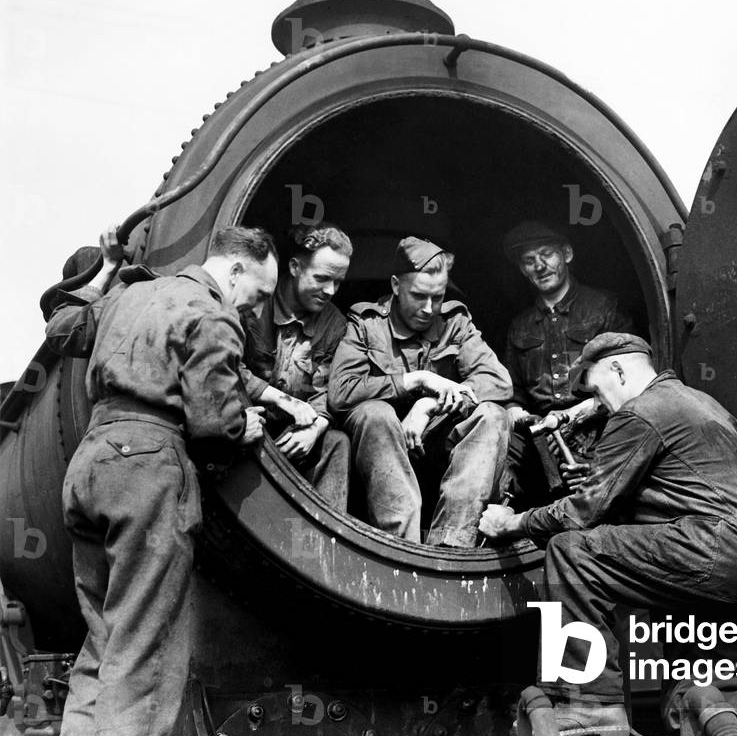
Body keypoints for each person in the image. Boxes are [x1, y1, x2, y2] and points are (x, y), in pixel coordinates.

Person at [479, 333, 737, 736]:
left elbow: (583, 513)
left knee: (572, 552)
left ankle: (591, 706)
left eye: (597, 389)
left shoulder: (639, 412)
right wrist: (604, 481)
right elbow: (691, 487)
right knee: (694, 704)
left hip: (718, 550)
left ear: (618, 369)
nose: (599, 403)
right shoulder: (702, 402)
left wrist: (515, 522)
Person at [44, 225, 277, 736]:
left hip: (90, 463)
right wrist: (247, 428)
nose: (255, 309)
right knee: (146, 653)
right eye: (258, 295)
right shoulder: (213, 314)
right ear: (235, 269)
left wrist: (103, 269)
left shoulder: (128, 293)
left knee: (103, 645)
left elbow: (60, 329)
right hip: (147, 468)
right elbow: (213, 427)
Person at [328, 236, 511, 547]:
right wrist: (415, 380)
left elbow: (498, 381)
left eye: (437, 297)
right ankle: (401, 546)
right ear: (397, 285)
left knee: (492, 415)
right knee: (375, 413)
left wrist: (428, 404)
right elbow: (341, 393)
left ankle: (451, 544)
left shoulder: (455, 322)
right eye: (419, 296)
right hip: (382, 446)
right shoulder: (367, 323)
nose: (429, 309)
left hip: (436, 442)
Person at [501, 221, 634, 502]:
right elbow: (512, 394)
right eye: (529, 260)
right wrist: (517, 414)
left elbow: (631, 383)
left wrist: (573, 418)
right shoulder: (519, 326)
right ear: (523, 270)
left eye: (546, 254)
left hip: (599, 428)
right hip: (539, 442)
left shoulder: (605, 307)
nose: (539, 265)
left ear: (567, 254)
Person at [241, 224, 353, 511]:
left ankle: (326, 541)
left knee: (335, 442)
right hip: (248, 424)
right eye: (322, 278)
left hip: (295, 431)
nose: (330, 290)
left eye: (338, 282)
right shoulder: (255, 302)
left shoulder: (334, 324)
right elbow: (229, 367)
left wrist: (315, 428)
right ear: (294, 267)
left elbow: (327, 389)